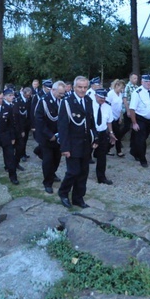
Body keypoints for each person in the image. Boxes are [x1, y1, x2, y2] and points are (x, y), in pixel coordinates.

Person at [58, 76, 98, 208]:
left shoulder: (88, 100)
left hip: (86, 143)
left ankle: (78, 198)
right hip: (72, 144)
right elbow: (63, 127)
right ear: (74, 87)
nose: (82, 90)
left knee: (83, 173)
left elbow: (91, 122)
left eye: (85, 87)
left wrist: (95, 137)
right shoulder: (67, 102)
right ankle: (63, 193)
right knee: (73, 172)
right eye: (80, 87)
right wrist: (65, 148)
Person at [35, 80, 65, 193]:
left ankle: (52, 173)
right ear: (53, 90)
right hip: (46, 137)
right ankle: (47, 182)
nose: (62, 95)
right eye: (60, 93)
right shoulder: (43, 101)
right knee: (48, 160)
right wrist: (49, 135)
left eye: (63, 93)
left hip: (58, 136)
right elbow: (39, 120)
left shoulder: (61, 100)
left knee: (57, 159)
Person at [128, 74, 150, 168]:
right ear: (142, 82)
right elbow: (132, 109)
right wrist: (134, 123)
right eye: (146, 81)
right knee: (141, 139)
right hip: (140, 119)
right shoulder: (137, 92)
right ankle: (143, 159)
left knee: (144, 138)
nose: (148, 83)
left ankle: (134, 151)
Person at [91, 88, 116, 185]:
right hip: (91, 133)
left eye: (104, 98)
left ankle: (101, 177)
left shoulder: (107, 107)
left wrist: (111, 132)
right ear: (95, 96)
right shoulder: (89, 105)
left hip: (102, 133)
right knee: (85, 154)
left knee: (102, 156)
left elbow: (109, 121)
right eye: (100, 97)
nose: (103, 99)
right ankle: (80, 174)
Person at [106, 79, 126, 157]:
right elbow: (107, 106)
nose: (122, 89)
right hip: (111, 117)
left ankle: (107, 148)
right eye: (121, 87)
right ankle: (119, 151)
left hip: (117, 117)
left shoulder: (120, 94)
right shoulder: (110, 94)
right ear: (117, 86)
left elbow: (120, 106)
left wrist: (120, 117)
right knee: (117, 134)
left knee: (116, 134)